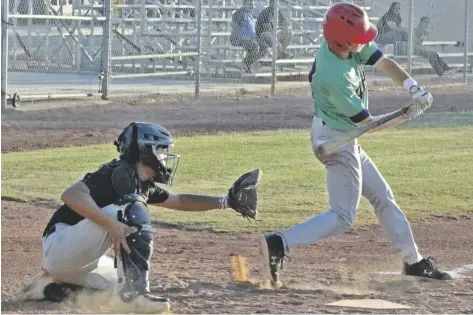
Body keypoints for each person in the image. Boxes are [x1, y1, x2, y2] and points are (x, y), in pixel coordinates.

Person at [258, 2, 453, 287]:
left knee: (383, 196)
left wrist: (413, 87)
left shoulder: (345, 44)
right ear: (341, 39)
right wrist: (406, 114)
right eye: (358, 38)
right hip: (337, 140)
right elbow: (369, 125)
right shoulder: (333, 77)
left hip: (341, 133)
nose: (364, 42)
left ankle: (413, 261)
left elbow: (384, 62)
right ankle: (279, 242)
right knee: (342, 217)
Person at [15, 122, 260, 313]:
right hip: (61, 245)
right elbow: (70, 194)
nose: (165, 157)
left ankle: (49, 288)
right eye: (162, 150)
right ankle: (135, 295)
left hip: (74, 262)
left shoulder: (140, 183)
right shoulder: (114, 174)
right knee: (130, 208)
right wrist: (111, 224)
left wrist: (226, 202)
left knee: (115, 284)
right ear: (146, 151)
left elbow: (181, 200)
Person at [230, 0, 266, 73]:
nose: (251, 6)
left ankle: (247, 63)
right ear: (244, 4)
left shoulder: (249, 14)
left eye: (252, 5)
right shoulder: (240, 13)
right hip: (239, 39)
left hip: (251, 38)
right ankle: (246, 64)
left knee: (265, 47)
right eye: (249, 4)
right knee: (255, 47)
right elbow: (234, 25)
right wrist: (241, 37)